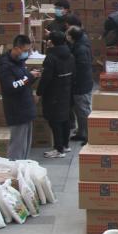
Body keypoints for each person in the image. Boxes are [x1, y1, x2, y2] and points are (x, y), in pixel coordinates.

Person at [0, 35, 40, 161]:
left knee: (25, 146)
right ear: (16, 48)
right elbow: (11, 86)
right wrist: (29, 77)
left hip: (26, 108)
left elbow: (22, 80)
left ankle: (23, 169)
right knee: (17, 148)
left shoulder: (19, 62)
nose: (27, 53)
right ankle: (14, 170)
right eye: (25, 50)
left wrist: (32, 76)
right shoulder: (5, 65)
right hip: (17, 111)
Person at [38, 31, 75, 159]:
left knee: (55, 121)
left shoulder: (51, 57)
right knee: (65, 118)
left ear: (51, 42)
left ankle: (59, 149)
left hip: (53, 93)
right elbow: (74, 73)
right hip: (67, 90)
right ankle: (65, 144)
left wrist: (39, 92)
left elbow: (46, 78)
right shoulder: (70, 55)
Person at [66, 26, 93, 145]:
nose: (66, 36)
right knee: (79, 110)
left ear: (72, 37)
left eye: (68, 34)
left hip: (82, 84)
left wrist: (74, 79)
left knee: (83, 110)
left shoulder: (80, 49)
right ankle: (82, 133)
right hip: (80, 83)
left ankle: (89, 136)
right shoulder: (79, 44)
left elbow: (81, 67)